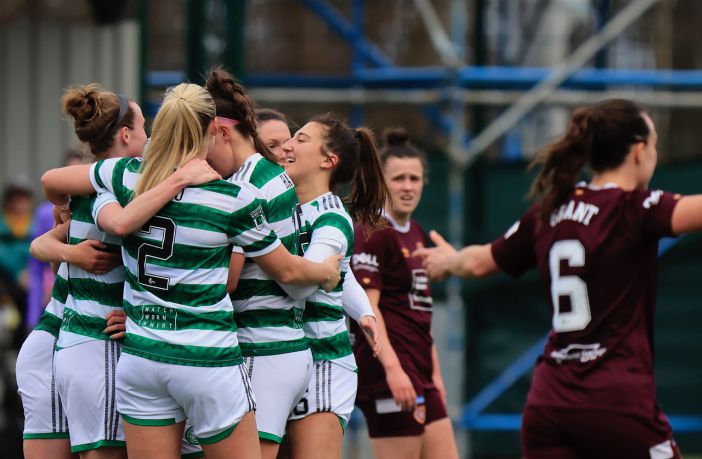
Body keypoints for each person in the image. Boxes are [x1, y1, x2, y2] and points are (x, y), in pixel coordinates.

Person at [41, 82, 341, 459]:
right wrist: (326, 272)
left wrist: (64, 212)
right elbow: (288, 271)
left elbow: (53, 181)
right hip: (208, 360)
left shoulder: (124, 175)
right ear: (212, 128)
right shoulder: (233, 197)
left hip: (143, 359)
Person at [414, 99, 692, 458]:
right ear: (639, 151)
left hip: (549, 404)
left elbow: (481, 263)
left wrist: (451, 261)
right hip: (615, 401)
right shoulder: (634, 208)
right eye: (654, 144)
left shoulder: (551, 211)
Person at [25, 83, 218, 459]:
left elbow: (43, 237)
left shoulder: (97, 185)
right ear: (126, 135)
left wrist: (67, 246)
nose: (149, 136)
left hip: (66, 337)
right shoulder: (120, 177)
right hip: (92, 339)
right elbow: (117, 223)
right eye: (144, 126)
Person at [280, 113, 387, 459]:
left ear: (328, 160)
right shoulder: (277, 204)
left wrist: (258, 245)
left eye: (300, 139)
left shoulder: (331, 216)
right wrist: (363, 311)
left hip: (321, 361)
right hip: (276, 357)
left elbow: (301, 285)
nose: (287, 146)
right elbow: (340, 271)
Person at [350, 129, 458, 459]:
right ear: (381, 181)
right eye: (399, 179)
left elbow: (421, 314)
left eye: (415, 178)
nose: (408, 186)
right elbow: (369, 310)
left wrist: (435, 375)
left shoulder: (416, 232)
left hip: (421, 373)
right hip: (389, 374)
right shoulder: (372, 231)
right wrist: (393, 370)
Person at [25, 150, 84, 331]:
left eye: (79, 171)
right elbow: (37, 265)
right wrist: (32, 317)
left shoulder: (96, 208)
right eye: (70, 171)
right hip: (54, 291)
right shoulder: (46, 212)